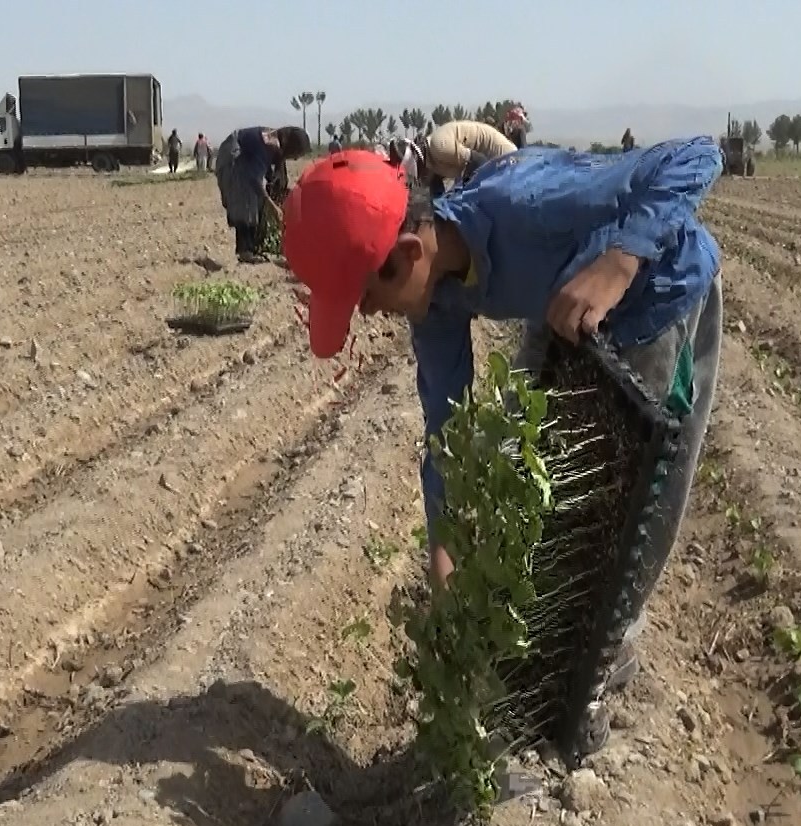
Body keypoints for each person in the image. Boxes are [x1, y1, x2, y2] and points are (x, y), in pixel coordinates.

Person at [283, 136, 724, 703]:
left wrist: (619, 260)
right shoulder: (435, 302)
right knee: (525, 472)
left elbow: (698, 156)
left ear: (408, 256)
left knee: (631, 495)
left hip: (656, 288)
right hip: (561, 303)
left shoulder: (526, 202)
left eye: (367, 298)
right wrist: (443, 551)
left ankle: (604, 655)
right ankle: (533, 643)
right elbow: (448, 431)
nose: (369, 314)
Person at [214, 125, 311, 262]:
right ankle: (245, 251)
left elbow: (278, 183)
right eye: (296, 155)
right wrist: (273, 207)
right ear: (292, 148)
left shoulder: (278, 147)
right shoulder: (268, 146)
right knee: (246, 197)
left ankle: (256, 246)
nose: (294, 159)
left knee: (260, 200)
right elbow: (254, 181)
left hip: (247, 158)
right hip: (233, 154)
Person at [424, 119, 516, 196]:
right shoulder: (435, 158)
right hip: (488, 157)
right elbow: (435, 183)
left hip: (506, 156)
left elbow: (479, 161)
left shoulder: (440, 146)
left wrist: (464, 196)